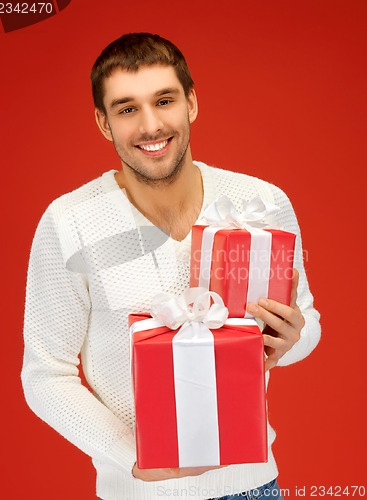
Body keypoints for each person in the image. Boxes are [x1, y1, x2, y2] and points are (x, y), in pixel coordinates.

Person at [21, 32, 321, 500]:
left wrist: (291, 339)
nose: (150, 125)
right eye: (126, 109)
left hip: (253, 486)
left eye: (164, 100)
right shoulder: (70, 222)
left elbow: (307, 327)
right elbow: (45, 374)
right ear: (103, 123)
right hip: (135, 493)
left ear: (192, 103)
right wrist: (132, 459)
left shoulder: (261, 202)